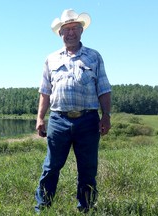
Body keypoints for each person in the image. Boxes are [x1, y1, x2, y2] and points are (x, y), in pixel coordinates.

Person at [35, 9, 111, 213]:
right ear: (60, 33)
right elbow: (45, 92)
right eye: (66, 29)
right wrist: (40, 118)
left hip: (88, 121)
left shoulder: (94, 57)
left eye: (75, 28)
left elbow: (103, 89)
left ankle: (86, 208)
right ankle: (42, 207)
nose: (70, 33)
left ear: (81, 31)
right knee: (51, 167)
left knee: (87, 169)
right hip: (58, 120)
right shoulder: (50, 59)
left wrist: (106, 116)